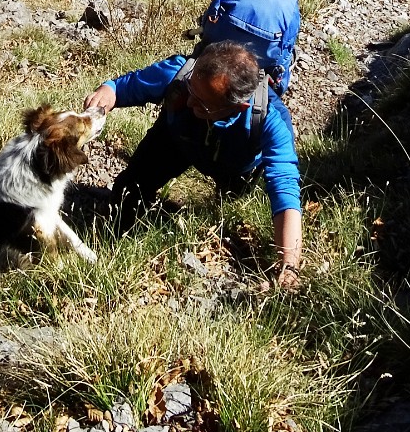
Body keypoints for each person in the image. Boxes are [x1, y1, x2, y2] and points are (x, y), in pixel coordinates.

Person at [84, 41, 302, 287]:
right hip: (178, 141)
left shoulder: (271, 120)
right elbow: (127, 86)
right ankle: (115, 232)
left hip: (236, 163)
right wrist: (107, 92)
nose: (189, 103)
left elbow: (285, 190)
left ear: (237, 106)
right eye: (191, 91)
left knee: (230, 197)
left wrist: (290, 263)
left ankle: (227, 190)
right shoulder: (181, 73)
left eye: (203, 103)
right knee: (129, 189)